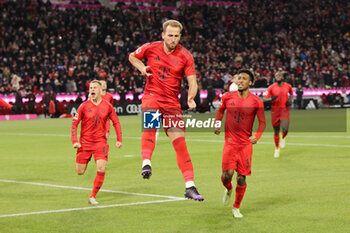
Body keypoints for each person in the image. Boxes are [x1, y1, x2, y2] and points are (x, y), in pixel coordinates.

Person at [128, 19, 204, 201]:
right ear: (163, 35)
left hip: (172, 104)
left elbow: (192, 81)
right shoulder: (151, 47)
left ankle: (190, 186)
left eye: (176, 36)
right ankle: (146, 163)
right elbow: (132, 56)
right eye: (170, 35)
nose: (173, 39)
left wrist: (191, 97)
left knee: (180, 144)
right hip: (152, 96)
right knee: (150, 127)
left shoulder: (186, 56)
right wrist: (142, 68)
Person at [214, 69, 266, 218]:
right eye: (239, 78)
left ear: (250, 83)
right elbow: (220, 112)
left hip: (245, 144)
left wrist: (257, 136)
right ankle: (229, 189)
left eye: (244, 79)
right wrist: (217, 124)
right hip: (230, 142)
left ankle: (236, 207)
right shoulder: (227, 97)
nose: (241, 81)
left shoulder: (256, 101)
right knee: (227, 175)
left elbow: (262, 123)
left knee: (241, 178)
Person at [71, 80, 122, 205]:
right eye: (90, 88)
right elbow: (74, 124)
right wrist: (75, 141)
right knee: (80, 171)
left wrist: (119, 139)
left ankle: (92, 196)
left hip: (100, 142)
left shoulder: (107, 106)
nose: (92, 90)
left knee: (101, 168)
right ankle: (85, 159)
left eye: (94, 88)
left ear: (100, 90)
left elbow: (116, 122)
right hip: (85, 143)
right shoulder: (84, 106)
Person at [263, 72, 293, 158]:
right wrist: (271, 99)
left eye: (279, 75)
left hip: (284, 110)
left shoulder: (288, 86)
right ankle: (277, 148)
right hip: (275, 111)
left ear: (283, 77)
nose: (278, 77)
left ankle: (283, 138)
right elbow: (264, 98)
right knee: (276, 131)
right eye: (276, 76)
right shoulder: (271, 87)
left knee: (285, 129)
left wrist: (290, 101)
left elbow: (291, 94)